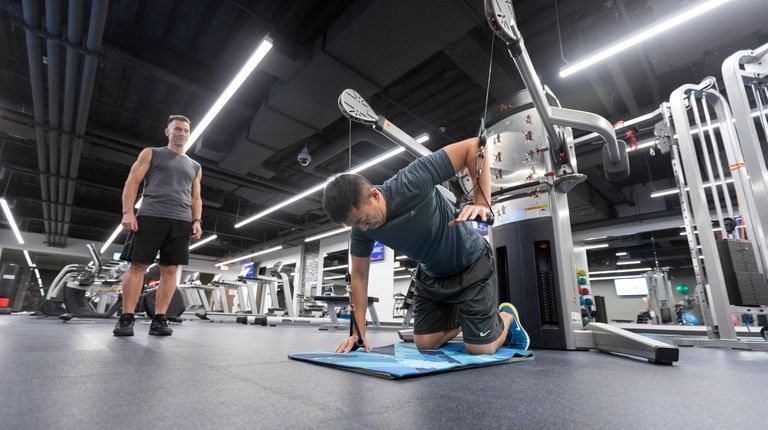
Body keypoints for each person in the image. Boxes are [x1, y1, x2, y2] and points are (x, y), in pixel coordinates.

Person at [322, 137, 529, 354]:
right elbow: (359, 276)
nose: (363, 228)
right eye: (356, 224)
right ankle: (465, 322)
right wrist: (358, 333)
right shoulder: (361, 231)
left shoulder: (412, 179)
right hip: (432, 276)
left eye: (363, 220)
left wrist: (481, 202)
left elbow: (475, 146)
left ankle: (506, 319)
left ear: (375, 195)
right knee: (424, 343)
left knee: (481, 349)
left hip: (470, 262)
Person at [113, 115, 203, 337]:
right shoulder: (151, 153)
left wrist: (197, 220)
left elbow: (196, 197)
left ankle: (160, 318)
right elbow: (132, 181)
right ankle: (127, 318)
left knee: (171, 270)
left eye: (185, 130)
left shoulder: (195, 166)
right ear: (167, 132)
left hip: (181, 220)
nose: (181, 133)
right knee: (138, 266)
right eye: (177, 129)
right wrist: (127, 212)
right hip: (151, 215)